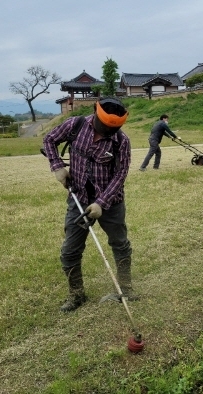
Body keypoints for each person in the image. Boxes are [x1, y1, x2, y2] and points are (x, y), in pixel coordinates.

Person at [43, 97, 138, 312]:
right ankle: (76, 295)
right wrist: (57, 166)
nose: (107, 133)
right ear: (95, 114)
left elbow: (120, 175)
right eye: (104, 127)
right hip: (78, 198)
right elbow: (49, 140)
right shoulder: (75, 125)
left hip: (111, 202)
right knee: (69, 250)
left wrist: (101, 203)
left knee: (120, 244)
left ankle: (126, 288)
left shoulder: (121, 141)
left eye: (112, 130)